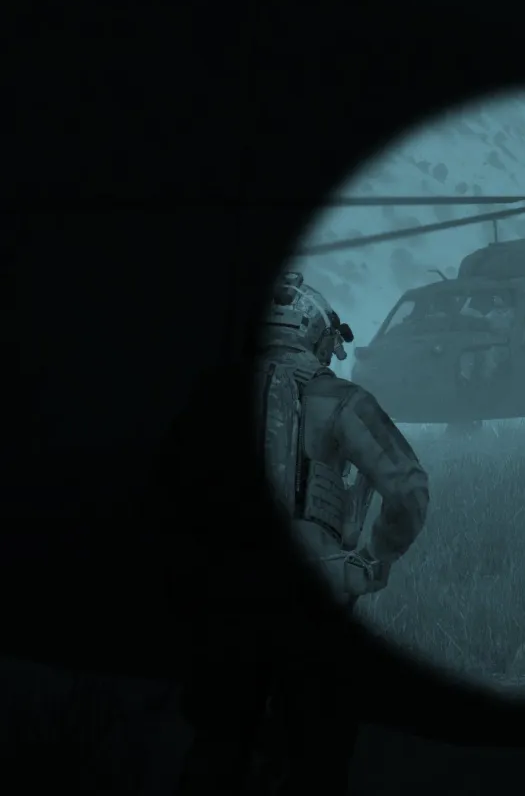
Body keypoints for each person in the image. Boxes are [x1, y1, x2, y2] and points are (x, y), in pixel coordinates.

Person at [179, 272, 430, 796]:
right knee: (317, 756)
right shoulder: (340, 399)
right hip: (312, 600)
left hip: (223, 598)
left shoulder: (209, 395)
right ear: (315, 332)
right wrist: (373, 560)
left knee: (218, 747)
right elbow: (408, 489)